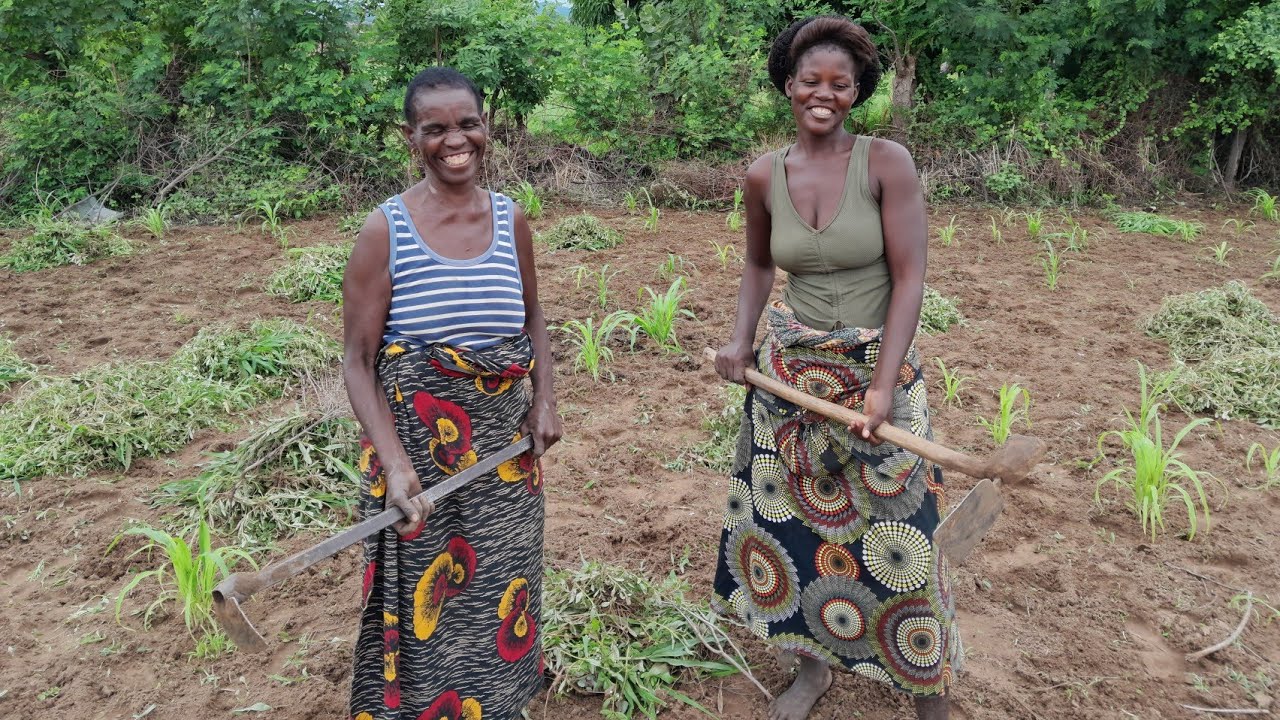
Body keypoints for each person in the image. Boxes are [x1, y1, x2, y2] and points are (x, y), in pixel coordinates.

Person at [712, 16, 961, 720]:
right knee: (793, 528)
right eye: (811, 82)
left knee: (902, 537)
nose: (824, 94)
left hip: (872, 371)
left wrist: (884, 385)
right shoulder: (765, 174)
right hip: (790, 376)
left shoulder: (886, 163)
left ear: (857, 94)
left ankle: (927, 693)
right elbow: (759, 264)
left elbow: (911, 278)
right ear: (788, 87)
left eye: (840, 84)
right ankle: (810, 668)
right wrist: (740, 342)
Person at [342, 66, 561, 720]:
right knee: (425, 609)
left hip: (504, 454)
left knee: (503, 585)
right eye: (435, 129)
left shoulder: (511, 219)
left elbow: (532, 319)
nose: (455, 140)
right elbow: (357, 362)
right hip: (417, 458)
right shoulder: (386, 232)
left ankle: (499, 704)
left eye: (467, 123)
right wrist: (398, 466)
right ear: (411, 138)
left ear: (485, 127)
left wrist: (545, 399)